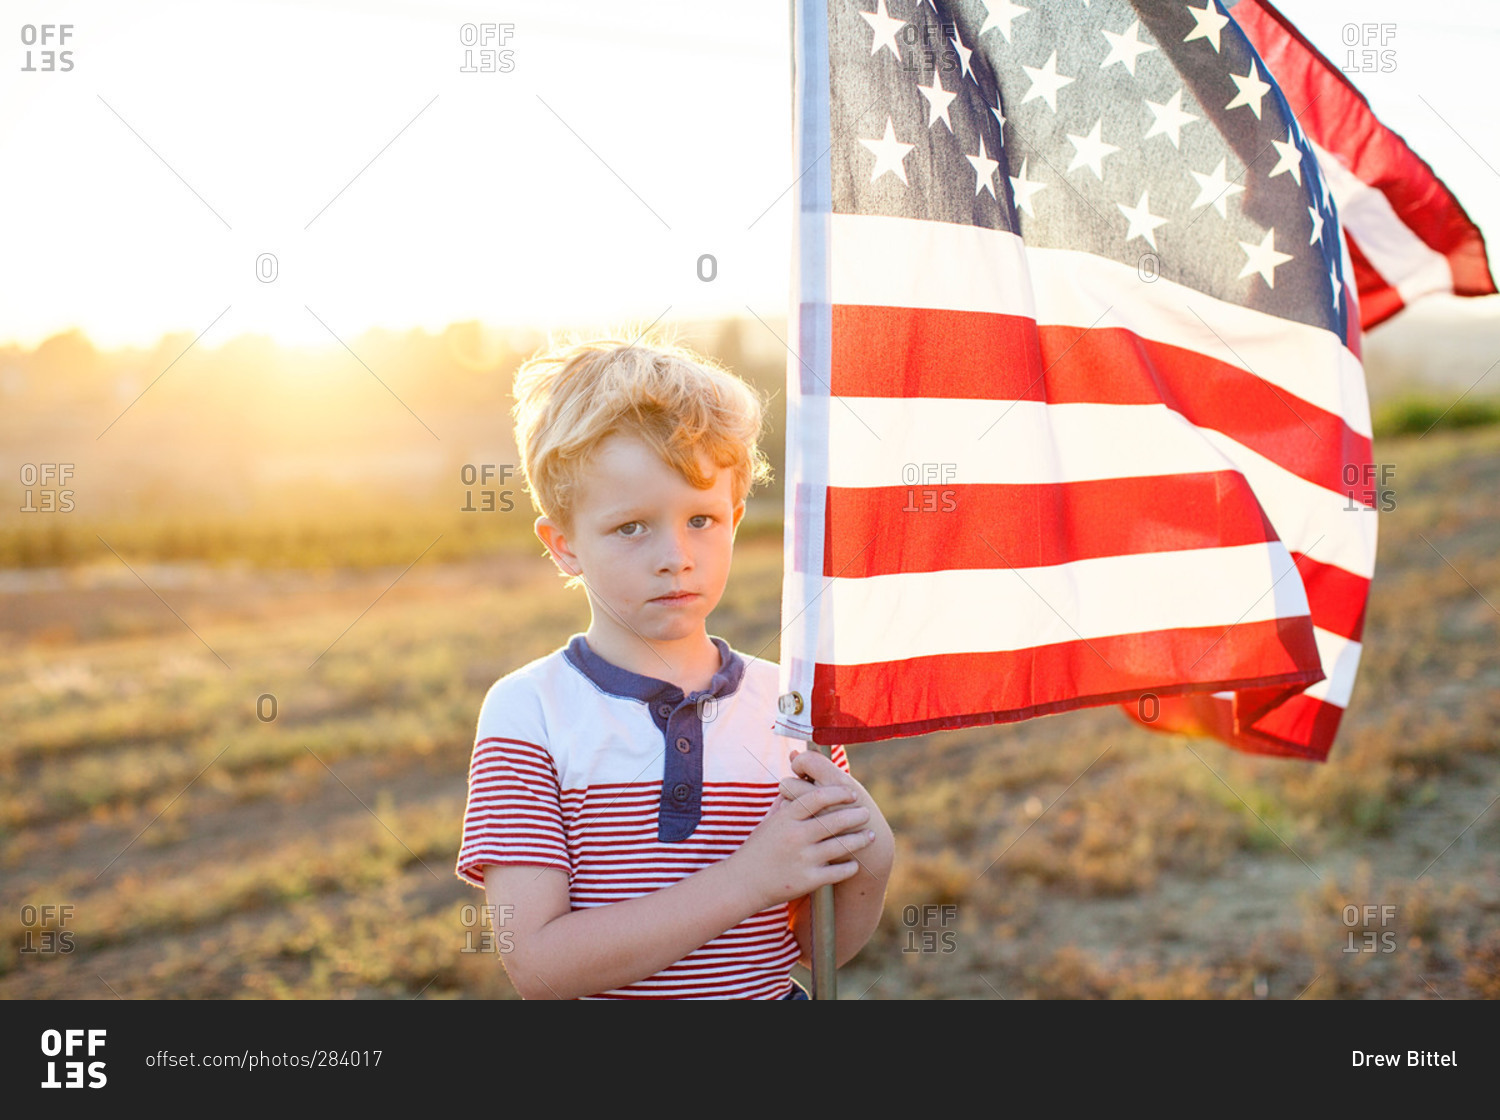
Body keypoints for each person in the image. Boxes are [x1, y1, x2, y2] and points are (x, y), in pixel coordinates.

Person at [454, 331, 894, 999]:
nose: (675, 556)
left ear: (736, 519)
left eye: (701, 520)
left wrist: (872, 857)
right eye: (631, 526)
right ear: (563, 544)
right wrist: (748, 878)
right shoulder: (530, 712)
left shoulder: (791, 703)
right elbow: (540, 965)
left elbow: (814, 944)